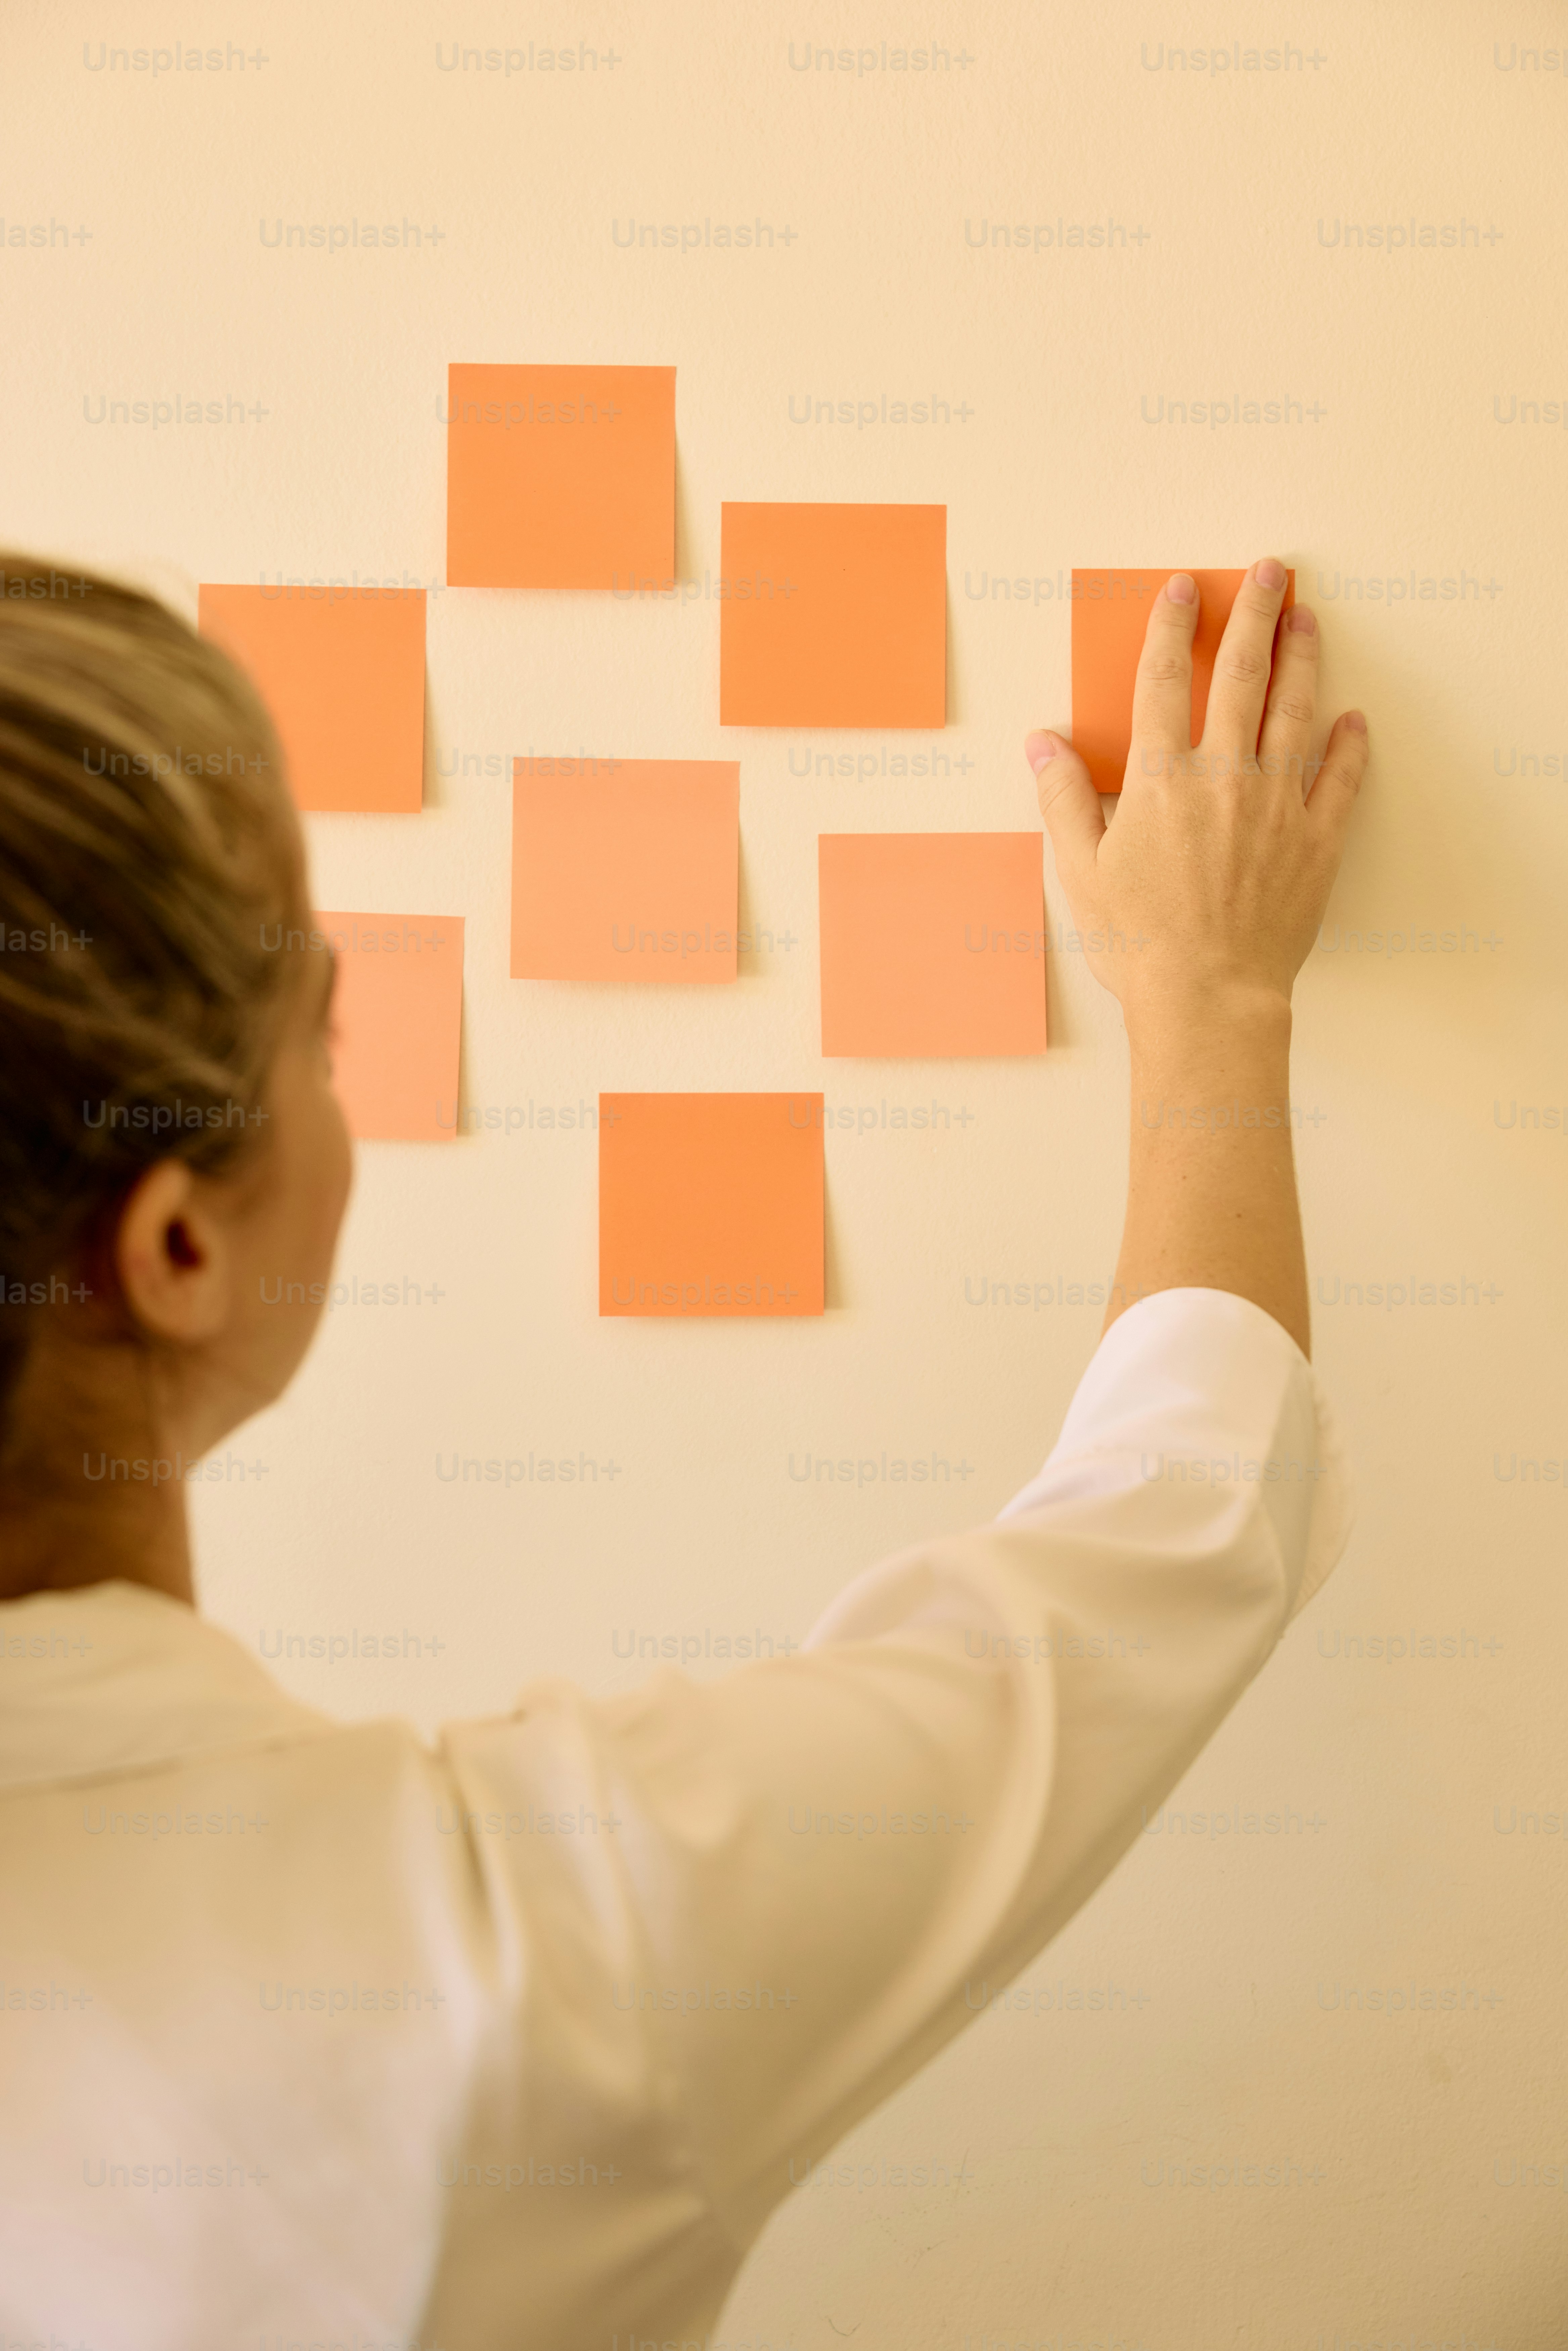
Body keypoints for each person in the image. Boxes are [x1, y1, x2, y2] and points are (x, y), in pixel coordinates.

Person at [0, 554, 1367, 2346]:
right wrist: (1214, 1001)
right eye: (320, 1027)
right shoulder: (528, 1960)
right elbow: (1184, 1515)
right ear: (177, 1246)